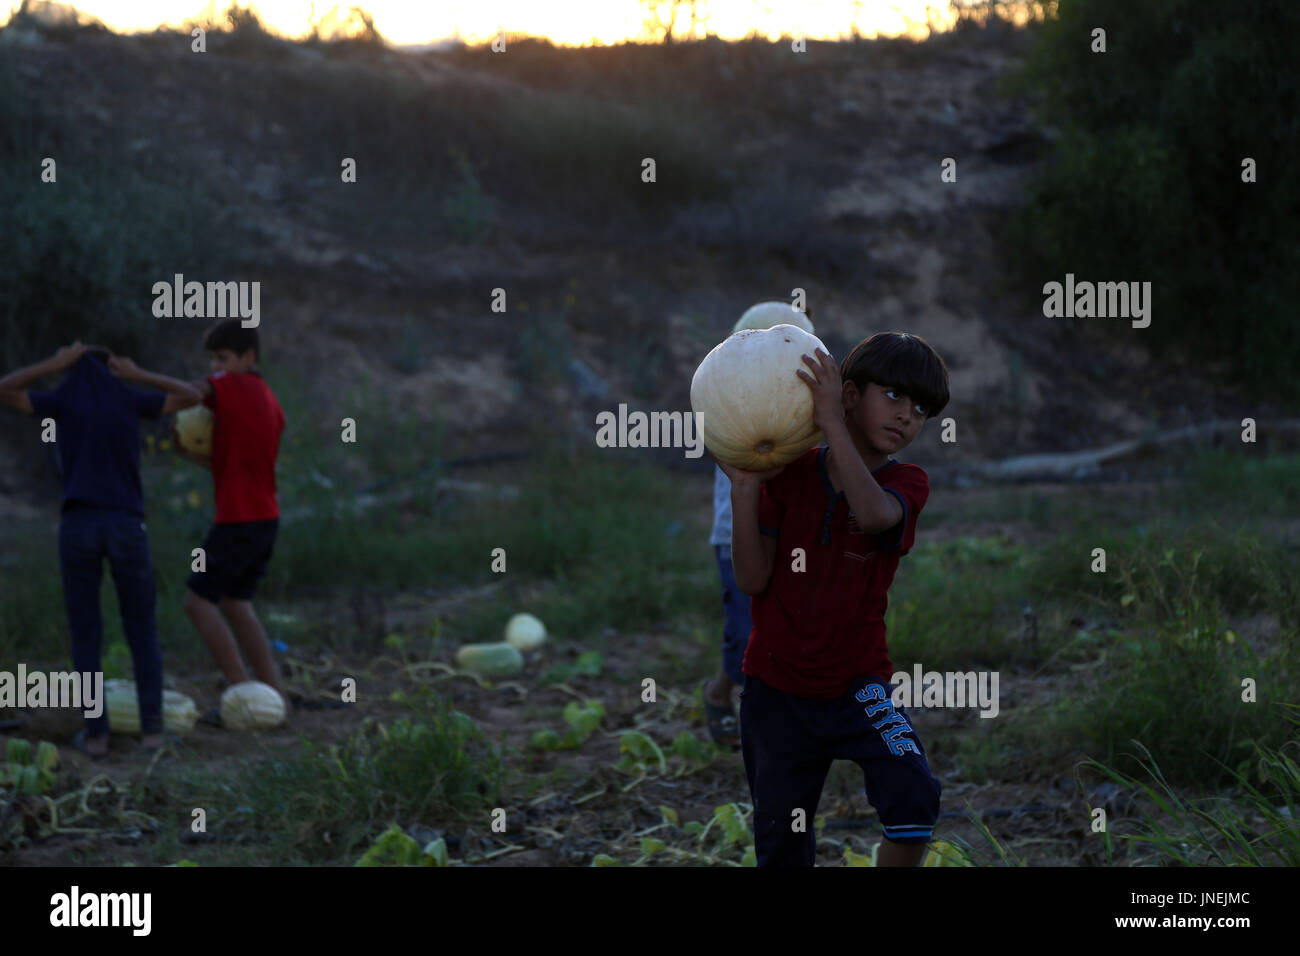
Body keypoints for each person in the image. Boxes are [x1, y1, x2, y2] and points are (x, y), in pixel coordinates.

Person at [721, 331, 950, 866]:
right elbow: (753, 580)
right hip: (775, 693)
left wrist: (829, 425)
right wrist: (744, 489)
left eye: (920, 410)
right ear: (849, 394)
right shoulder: (792, 474)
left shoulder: (907, 482)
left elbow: (872, 516)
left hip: (858, 686)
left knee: (915, 798)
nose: (906, 416)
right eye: (892, 396)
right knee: (781, 843)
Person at [0, 341, 203, 757]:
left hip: (78, 527)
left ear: (73, 371)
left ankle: (95, 737)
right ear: (111, 372)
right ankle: (152, 734)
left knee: (86, 635)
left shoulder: (61, 401)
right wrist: (137, 372)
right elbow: (192, 395)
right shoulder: (130, 399)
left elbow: (4, 389)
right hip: (126, 525)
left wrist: (51, 362)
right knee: (141, 629)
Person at [703, 307, 818, 749]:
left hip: (790, 539)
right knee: (744, 632)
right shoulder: (728, 410)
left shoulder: (798, 412)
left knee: (781, 632)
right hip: (737, 538)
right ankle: (719, 692)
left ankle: (772, 721)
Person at [176, 320, 289, 719]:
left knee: (197, 602)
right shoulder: (267, 399)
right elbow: (236, 465)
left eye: (222, 359)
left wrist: (134, 376)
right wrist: (194, 455)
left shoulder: (234, 388)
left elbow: (190, 393)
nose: (216, 368)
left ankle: (244, 695)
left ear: (248, 358)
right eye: (212, 360)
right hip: (265, 519)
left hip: (238, 521)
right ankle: (274, 694)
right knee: (236, 604)